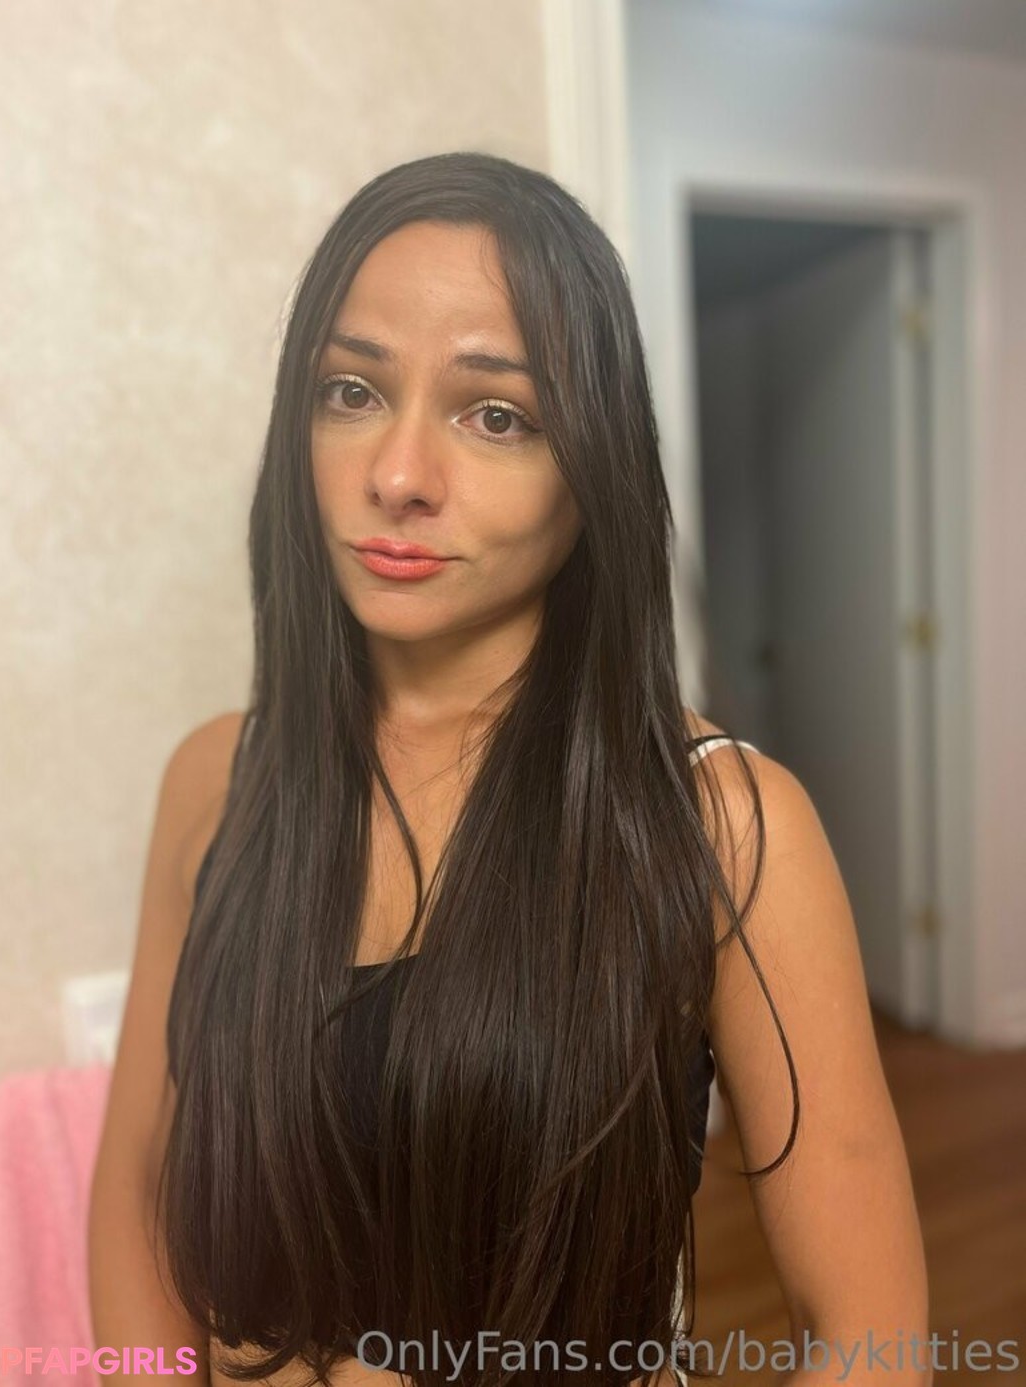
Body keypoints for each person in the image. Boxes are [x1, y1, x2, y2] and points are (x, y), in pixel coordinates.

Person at [88, 152, 930, 1387]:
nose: (397, 476)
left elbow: (871, 1331)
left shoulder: (723, 824)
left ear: (594, 469)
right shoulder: (215, 781)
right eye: (351, 391)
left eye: (496, 415)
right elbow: (137, 1181)